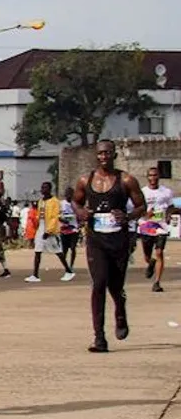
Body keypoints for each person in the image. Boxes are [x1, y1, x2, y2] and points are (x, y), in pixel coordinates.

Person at [72, 140, 146, 353]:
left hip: (118, 239)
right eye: (100, 153)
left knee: (115, 285)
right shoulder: (86, 180)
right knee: (99, 283)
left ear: (114, 155)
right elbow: (76, 202)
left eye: (108, 153)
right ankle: (99, 338)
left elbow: (142, 206)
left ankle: (120, 310)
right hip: (96, 240)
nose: (103, 157)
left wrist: (128, 215)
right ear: (96, 156)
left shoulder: (126, 180)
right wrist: (81, 212)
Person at [139, 166, 171, 293]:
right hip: (146, 226)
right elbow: (137, 209)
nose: (153, 178)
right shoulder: (142, 192)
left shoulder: (166, 192)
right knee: (147, 256)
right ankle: (150, 262)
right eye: (151, 175)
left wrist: (168, 214)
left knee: (159, 252)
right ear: (147, 177)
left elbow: (171, 206)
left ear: (159, 176)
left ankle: (157, 282)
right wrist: (146, 214)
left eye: (155, 175)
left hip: (161, 226)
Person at [27, 181, 60, 283]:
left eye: (45, 188)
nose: (42, 190)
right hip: (41, 228)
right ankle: (35, 275)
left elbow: (55, 217)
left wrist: (49, 230)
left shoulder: (54, 201)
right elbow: (39, 215)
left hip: (49, 229)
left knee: (58, 252)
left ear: (50, 189)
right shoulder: (41, 201)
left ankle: (68, 270)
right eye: (42, 187)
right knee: (37, 252)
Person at [58, 185, 82, 280]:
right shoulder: (61, 204)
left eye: (70, 194)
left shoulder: (75, 204)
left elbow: (80, 215)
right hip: (64, 229)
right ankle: (66, 267)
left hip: (74, 229)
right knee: (64, 250)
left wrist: (80, 224)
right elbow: (58, 215)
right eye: (66, 194)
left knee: (73, 248)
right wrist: (62, 220)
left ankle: (71, 265)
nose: (68, 195)